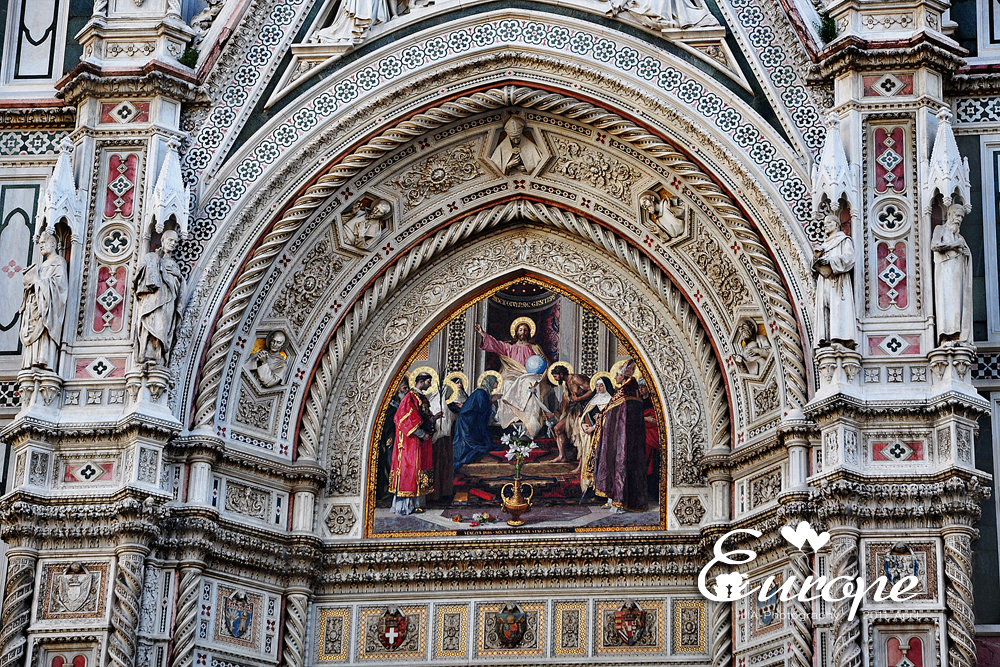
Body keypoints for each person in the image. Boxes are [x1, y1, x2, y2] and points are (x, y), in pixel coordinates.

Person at [586, 359, 648, 513]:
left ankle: (619, 501)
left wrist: (601, 420)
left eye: (617, 375)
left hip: (619, 437)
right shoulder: (633, 391)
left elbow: (611, 413)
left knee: (619, 465)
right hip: (630, 438)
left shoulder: (623, 392)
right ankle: (616, 499)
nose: (615, 378)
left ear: (624, 376)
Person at [389, 372, 440, 515]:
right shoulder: (410, 398)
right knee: (409, 470)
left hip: (420, 442)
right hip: (410, 442)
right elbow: (406, 420)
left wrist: (433, 419)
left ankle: (417, 504)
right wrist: (422, 434)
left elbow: (424, 417)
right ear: (421, 382)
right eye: (428, 382)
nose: (430, 385)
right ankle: (405, 506)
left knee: (420, 471)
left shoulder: (421, 398)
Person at [134, 230, 185, 365]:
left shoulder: (174, 264)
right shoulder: (151, 256)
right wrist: (155, 263)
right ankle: (145, 352)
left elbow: (179, 284)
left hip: (169, 299)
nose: (173, 243)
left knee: (163, 326)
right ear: (163, 240)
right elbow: (139, 274)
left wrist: (178, 276)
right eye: (170, 240)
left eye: (175, 242)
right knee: (149, 322)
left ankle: (158, 356)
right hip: (153, 297)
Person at [19, 231, 68, 371]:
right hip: (35, 306)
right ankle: (32, 362)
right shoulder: (42, 265)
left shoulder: (59, 261)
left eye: (43, 243)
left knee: (44, 333)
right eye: (39, 243)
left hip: (47, 307)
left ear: (53, 244)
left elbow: (60, 285)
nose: (41, 246)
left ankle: (43, 361)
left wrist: (39, 283)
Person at [812, 212, 857, 348]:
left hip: (838, 280)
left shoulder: (844, 240)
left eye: (828, 223)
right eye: (824, 224)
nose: (825, 226)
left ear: (836, 224)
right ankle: (825, 339)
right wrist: (816, 258)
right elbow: (813, 270)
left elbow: (849, 258)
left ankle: (839, 338)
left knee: (837, 306)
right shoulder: (824, 244)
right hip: (824, 281)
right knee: (824, 307)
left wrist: (830, 261)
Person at [932, 205, 973, 345]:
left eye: (961, 217)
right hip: (945, 271)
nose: (959, 219)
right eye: (957, 215)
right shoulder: (940, 229)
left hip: (958, 272)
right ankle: (945, 335)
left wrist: (967, 254)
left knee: (957, 302)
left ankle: (957, 334)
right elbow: (934, 246)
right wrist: (954, 245)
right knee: (945, 300)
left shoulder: (960, 237)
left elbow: (966, 254)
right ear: (949, 215)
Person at [574, 375, 613, 489]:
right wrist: (583, 424)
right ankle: (589, 487)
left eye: (601, 386)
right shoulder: (593, 401)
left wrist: (594, 428)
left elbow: (609, 420)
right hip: (590, 437)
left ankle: (600, 488)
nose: (599, 388)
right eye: (597, 386)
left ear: (606, 386)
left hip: (602, 438)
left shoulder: (610, 402)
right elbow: (583, 416)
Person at [452, 375, 499, 468]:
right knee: (470, 445)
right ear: (490, 382)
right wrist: (492, 401)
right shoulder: (481, 392)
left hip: (470, 420)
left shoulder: (484, 392)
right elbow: (482, 409)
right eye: (495, 381)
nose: (497, 383)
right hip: (467, 422)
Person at [549, 364, 593, 463]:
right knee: (557, 429)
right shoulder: (567, 383)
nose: (555, 379)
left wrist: (579, 398)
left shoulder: (575, 378)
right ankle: (562, 456)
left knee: (578, 435)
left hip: (582, 410)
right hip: (573, 410)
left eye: (555, 376)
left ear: (561, 374)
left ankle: (581, 464)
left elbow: (592, 389)